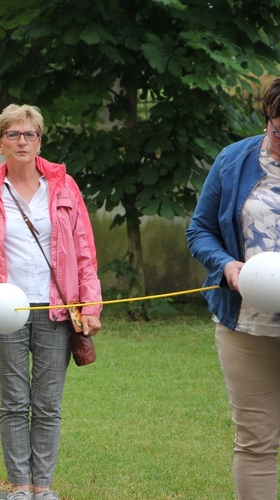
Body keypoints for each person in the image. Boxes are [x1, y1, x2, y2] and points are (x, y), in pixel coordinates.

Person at [0, 104, 102, 500]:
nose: (23, 142)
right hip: (4, 313)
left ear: (40, 140)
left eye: (30, 135)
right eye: (14, 135)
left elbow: (85, 251)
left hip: (55, 309)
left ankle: (44, 487)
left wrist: (90, 307)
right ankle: (21, 487)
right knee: (14, 402)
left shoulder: (64, 187)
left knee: (49, 404)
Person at [186, 77, 280, 500]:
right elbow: (200, 230)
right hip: (246, 329)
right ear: (267, 120)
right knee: (257, 442)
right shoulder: (233, 161)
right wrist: (227, 266)